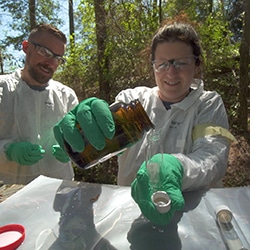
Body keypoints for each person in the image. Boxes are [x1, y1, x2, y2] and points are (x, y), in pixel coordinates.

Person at [54, 21, 235, 225]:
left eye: (181, 62)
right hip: (130, 214)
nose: (171, 72)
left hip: (192, 218)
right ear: (153, 66)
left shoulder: (208, 104)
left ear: (197, 64)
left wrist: (178, 167)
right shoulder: (133, 98)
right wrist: (85, 128)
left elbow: (212, 159)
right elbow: (105, 133)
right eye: (163, 64)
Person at [0, 23, 79, 185]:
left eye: (57, 58)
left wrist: (72, 150)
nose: (51, 63)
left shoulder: (66, 96)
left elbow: (81, 141)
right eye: (45, 52)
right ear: (26, 47)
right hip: (9, 195)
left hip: (59, 193)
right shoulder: (3, 89)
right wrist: (7, 150)